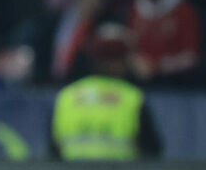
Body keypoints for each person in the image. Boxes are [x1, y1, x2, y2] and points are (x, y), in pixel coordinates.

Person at [50, 23, 162, 160]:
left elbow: (53, 153)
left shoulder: (66, 96)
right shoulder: (132, 98)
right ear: (120, 61)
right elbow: (152, 151)